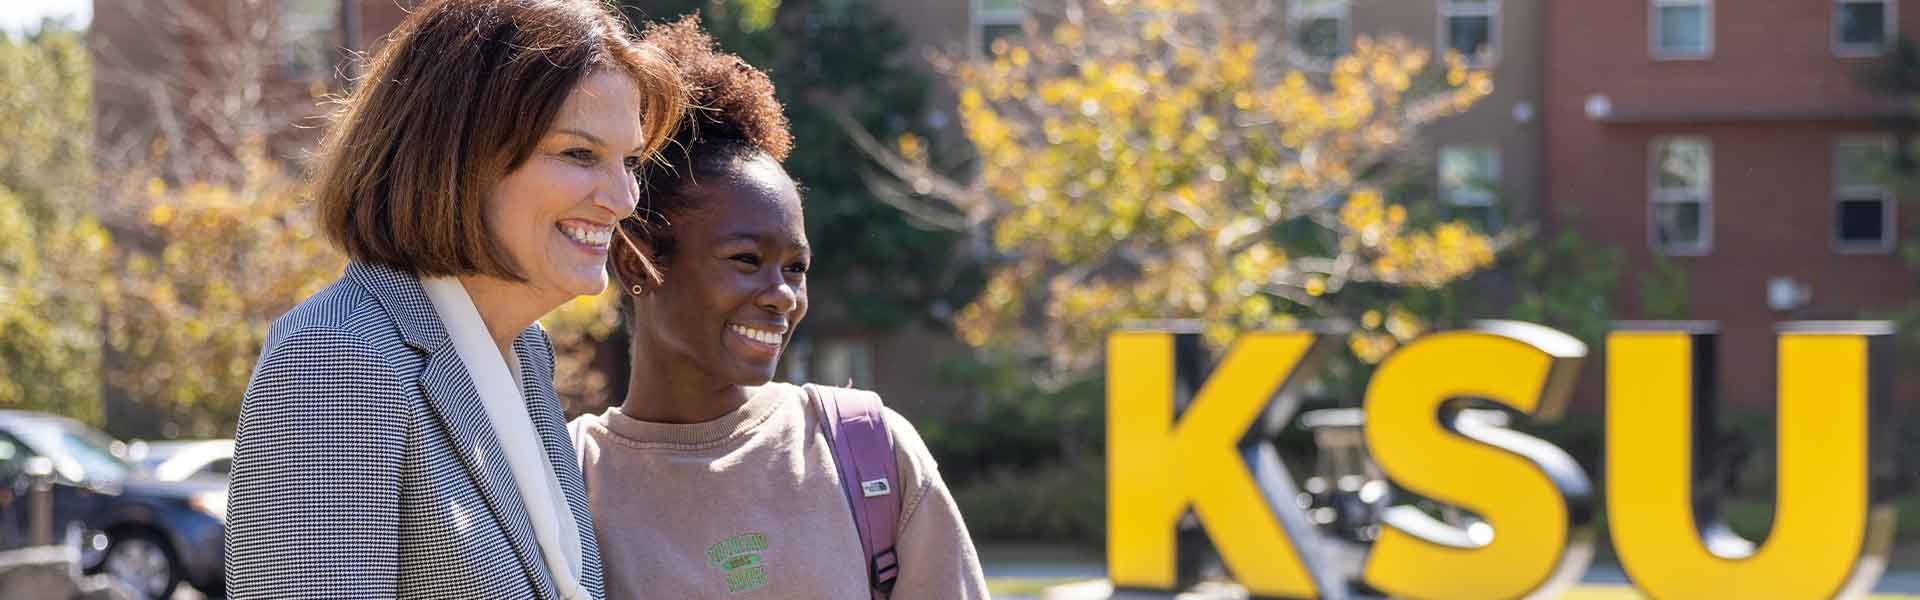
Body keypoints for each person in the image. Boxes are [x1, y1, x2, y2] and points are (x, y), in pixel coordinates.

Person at [224, 1, 683, 598]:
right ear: (457, 156)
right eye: (578, 154)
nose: (624, 198)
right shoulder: (336, 360)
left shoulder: (525, 355)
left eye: (630, 162)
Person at [567, 17, 989, 599]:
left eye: (796, 267)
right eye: (746, 259)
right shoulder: (569, 476)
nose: (783, 294)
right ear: (639, 264)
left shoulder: (869, 454)